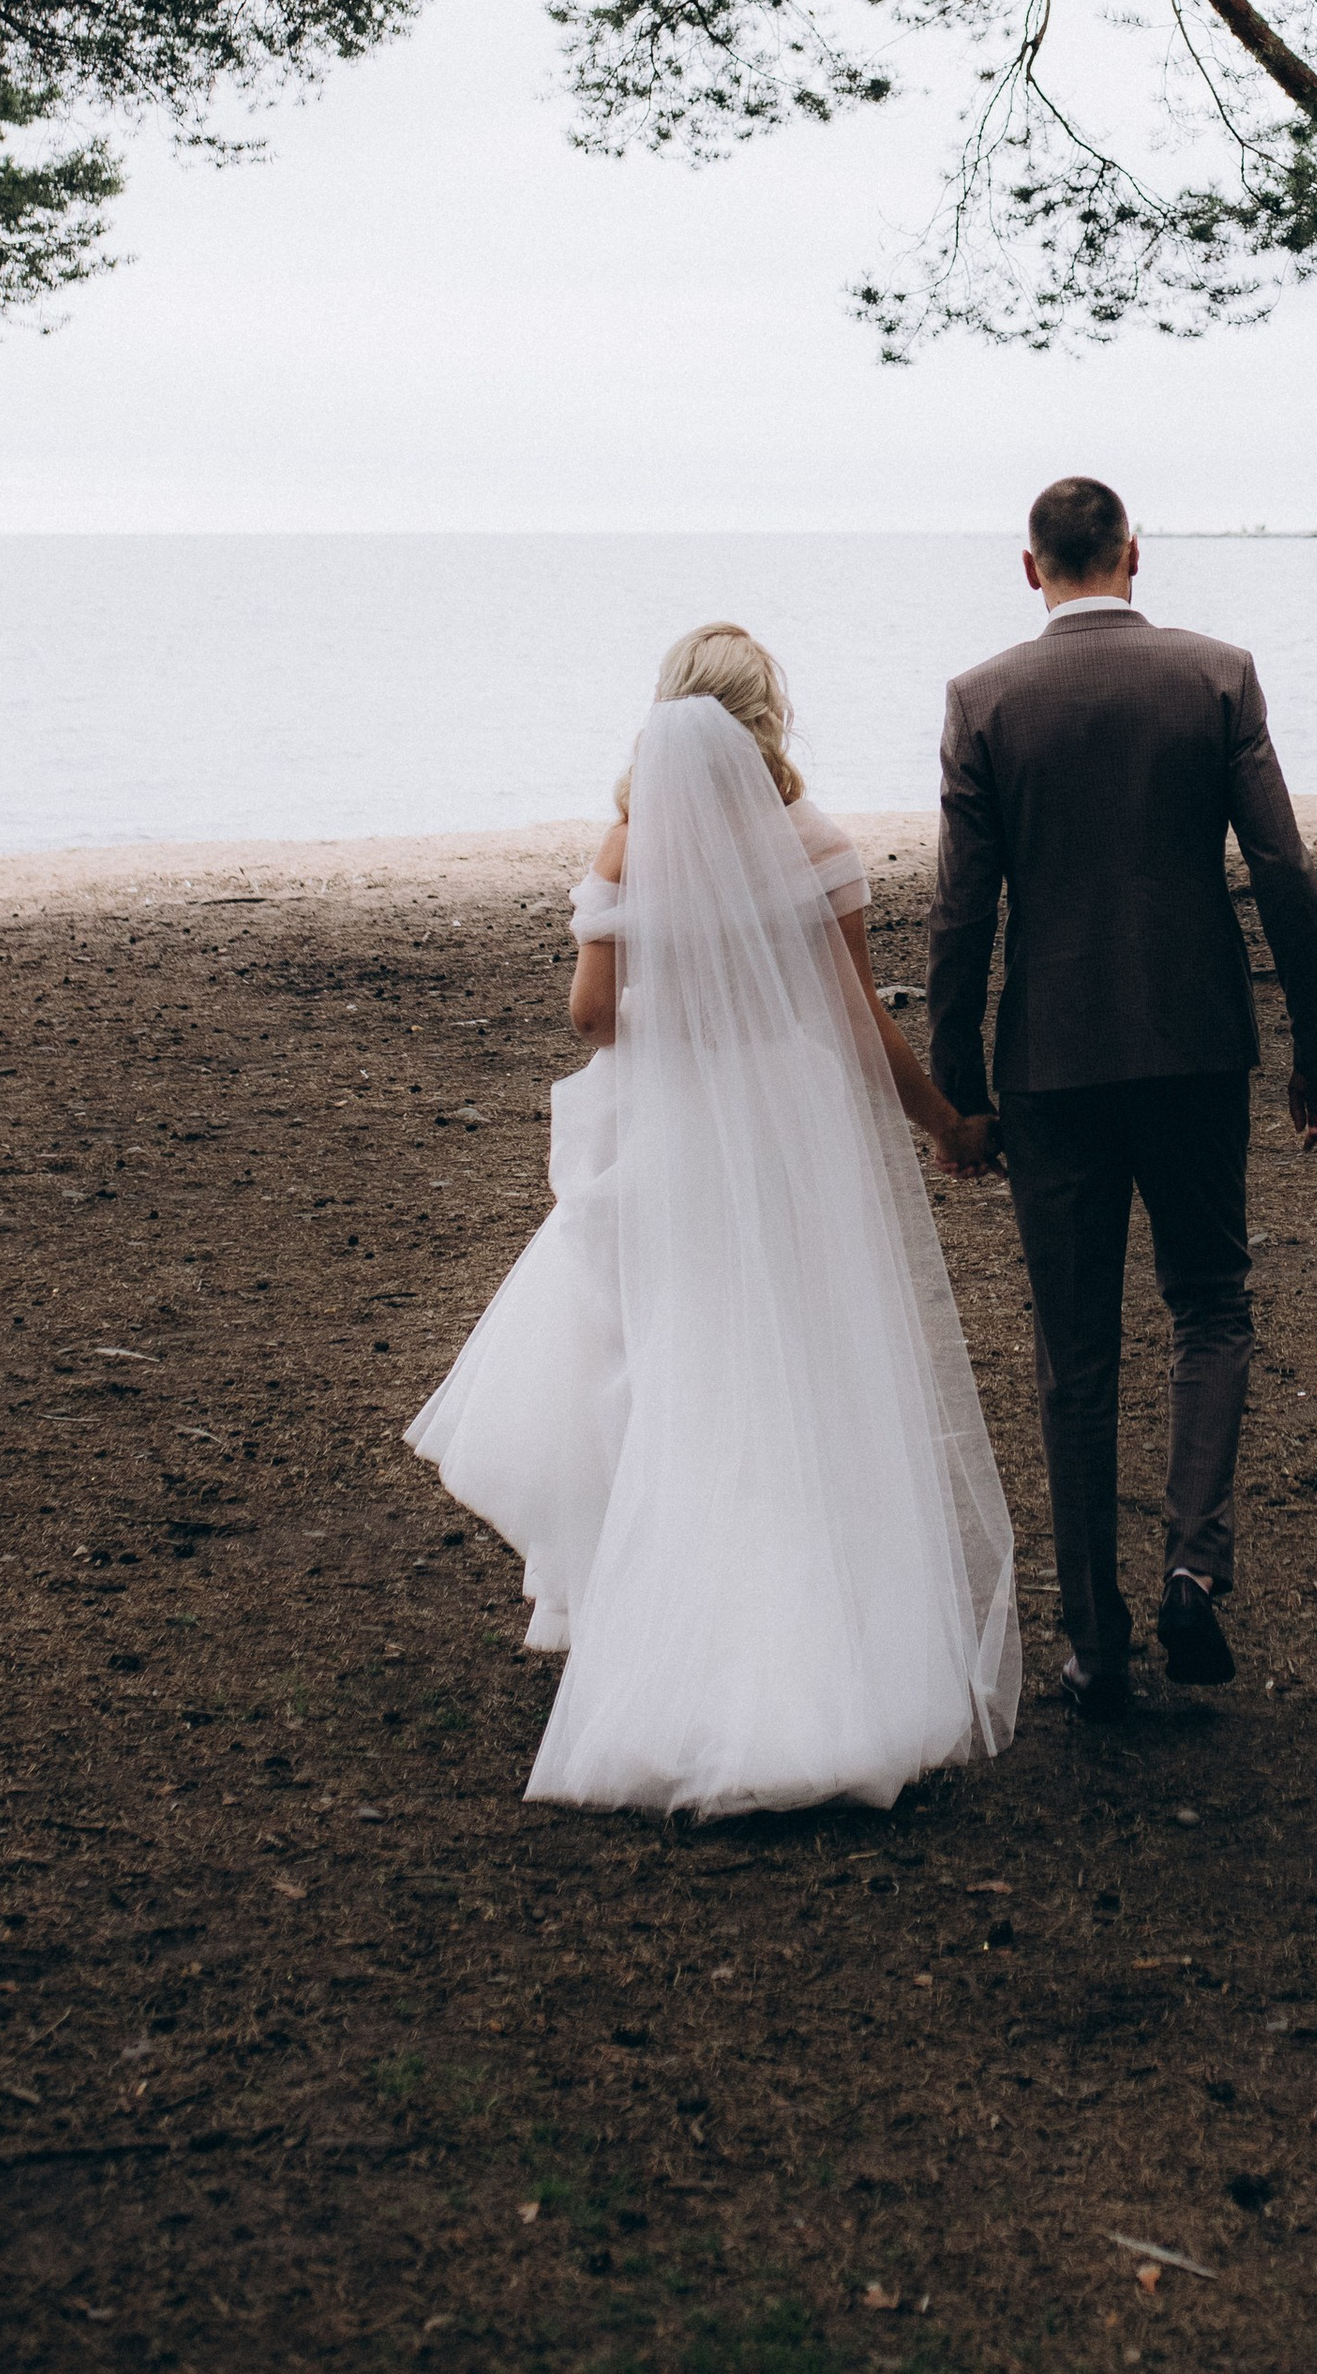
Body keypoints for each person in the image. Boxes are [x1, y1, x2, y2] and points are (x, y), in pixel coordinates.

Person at [406, 623, 1017, 1815]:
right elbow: (854, 1023)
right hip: (786, 1129)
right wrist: (943, 1124)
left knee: (677, 1375)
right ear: (765, 721)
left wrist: (666, 1004)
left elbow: (591, 1017)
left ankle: (672, 1657)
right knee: (797, 1375)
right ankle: (823, 1667)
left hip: (673, 1137)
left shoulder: (630, 847)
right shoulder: (815, 842)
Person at [928, 477, 1317, 1722]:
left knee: (1077, 1355)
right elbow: (1281, 867)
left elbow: (962, 912)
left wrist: (955, 1091)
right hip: (1195, 1045)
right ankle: (1191, 1568)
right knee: (1211, 1306)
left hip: (1049, 1063)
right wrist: (1316, 1048)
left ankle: (1097, 1647)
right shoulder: (1215, 677)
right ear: (1130, 553)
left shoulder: (983, 700)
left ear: (1030, 570)